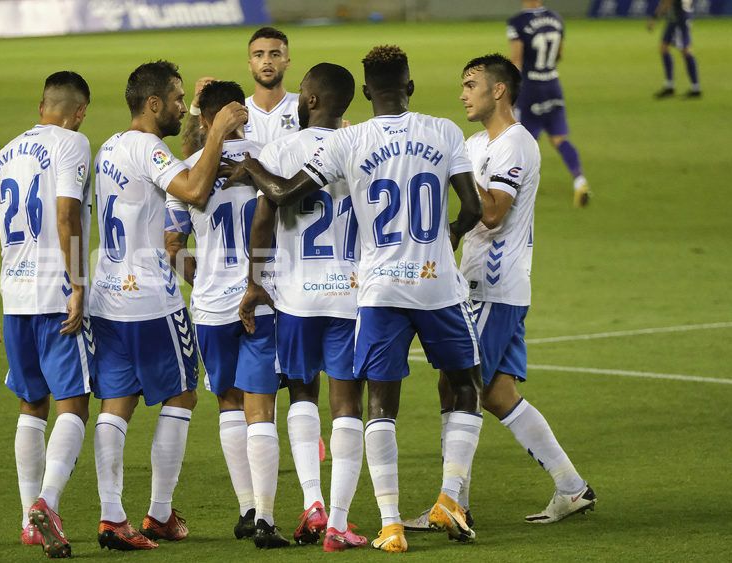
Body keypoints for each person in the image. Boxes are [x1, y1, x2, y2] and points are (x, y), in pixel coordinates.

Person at [227, 45, 484, 552]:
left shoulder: (351, 141)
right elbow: (473, 207)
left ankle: (388, 523)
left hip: (377, 289)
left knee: (377, 404)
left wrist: (252, 168)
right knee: (466, 385)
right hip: (435, 284)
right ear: (409, 87)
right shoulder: (446, 131)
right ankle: (449, 496)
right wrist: (445, 236)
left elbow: (280, 198)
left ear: (367, 93)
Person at [89, 60, 249, 551]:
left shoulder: (110, 147)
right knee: (182, 396)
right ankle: (159, 513)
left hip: (106, 295)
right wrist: (217, 130)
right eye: (179, 99)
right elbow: (196, 189)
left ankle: (111, 516)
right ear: (154, 104)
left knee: (117, 404)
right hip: (151, 302)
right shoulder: (147, 148)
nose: (186, 108)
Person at [459, 53, 596, 524]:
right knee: (497, 394)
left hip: (495, 287)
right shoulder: (474, 142)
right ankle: (572, 488)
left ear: (498, 90)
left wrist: (455, 179)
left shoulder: (515, 144)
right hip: (485, 283)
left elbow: (492, 212)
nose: (463, 93)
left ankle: (453, 503)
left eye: (472, 84)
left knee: (458, 385)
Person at [238, 62, 368, 553]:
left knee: (301, 393)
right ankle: (338, 521)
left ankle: (311, 502)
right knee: (347, 402)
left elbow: (263, 221)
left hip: (295, 295)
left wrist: (254, 283)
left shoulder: (281, 149)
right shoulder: (358, 148)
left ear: (310, 99)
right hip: (349, 293)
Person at [0, 71, 95, 559]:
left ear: (41, 104)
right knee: (74, 403)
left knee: (31, 405)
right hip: (56, 294)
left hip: (15, 297)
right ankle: (48, 502)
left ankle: (28, 519)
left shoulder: (3, 154)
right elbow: (67, 215)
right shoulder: (73, 144)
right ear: (79, 111)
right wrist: (79, 285)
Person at [164, 80, 289, 548]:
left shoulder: (188, 171)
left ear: (203, 119)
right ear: (244, 115)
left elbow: (172, 246)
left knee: (229, 404)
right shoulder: (268, 158)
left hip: (213, 306)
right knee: (262, 408)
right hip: (262, 297)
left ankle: (246, 509)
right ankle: (266, 521)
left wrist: (206, 277)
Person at [507, 0, 591, 208]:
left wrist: (509, 89)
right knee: (559, 138)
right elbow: (559, 53)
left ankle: (514, 190)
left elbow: (516, 59)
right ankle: (580, 181)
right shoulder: (556, 18)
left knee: (522, 140)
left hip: (530, 88)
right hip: (553, 83)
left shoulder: (517, 22)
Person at [181, 26, 299, 155]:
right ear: (250, 64)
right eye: (258, 55)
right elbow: (191, 154)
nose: (267, 61)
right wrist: (195, 107)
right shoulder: (233, 110)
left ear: (287, 62)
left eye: (275, 54)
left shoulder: (302, 107)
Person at [649, 0, 701, 98]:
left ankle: (695, 88)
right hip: (674, 18)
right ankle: (670, 86)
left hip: (680, 17)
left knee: (685, 50)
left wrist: (655, 18)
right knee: (663, 48)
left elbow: (667, 2)